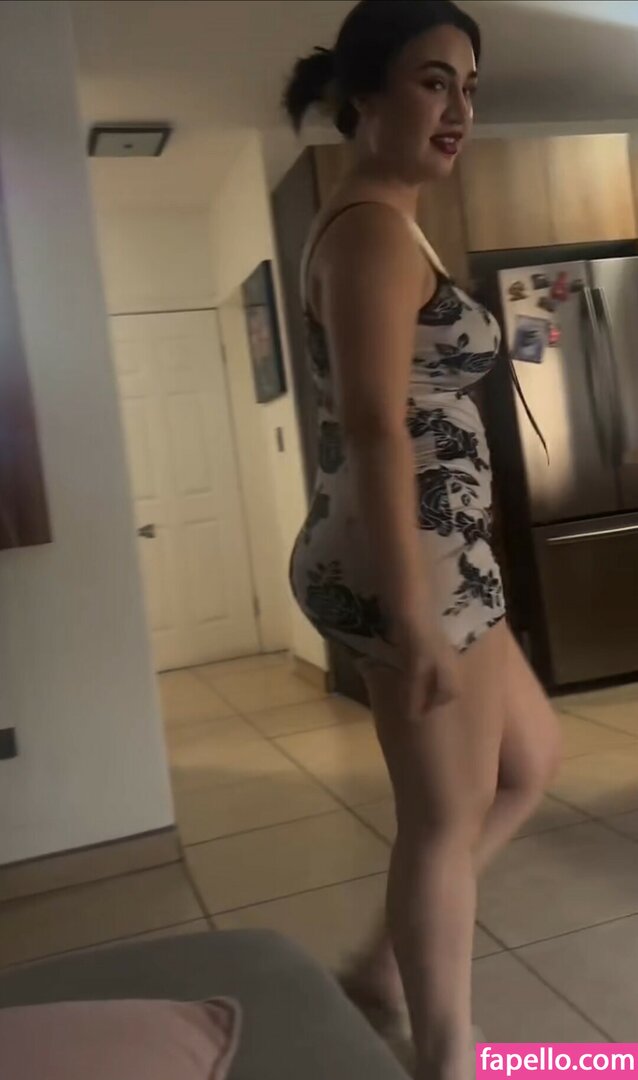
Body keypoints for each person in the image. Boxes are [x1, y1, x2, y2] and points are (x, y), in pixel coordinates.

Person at [284, 2, 561, 1079]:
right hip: (413, 563)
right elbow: (372, 423)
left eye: (468, 89)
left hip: (444, 558)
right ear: (364, 94)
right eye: (433, 81)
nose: (459, 110)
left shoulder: (393, 216)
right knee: (443, 823)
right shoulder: (365, 226)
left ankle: (381, 971)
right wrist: (409, 612)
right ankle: (446, 1053)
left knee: (527, 763)